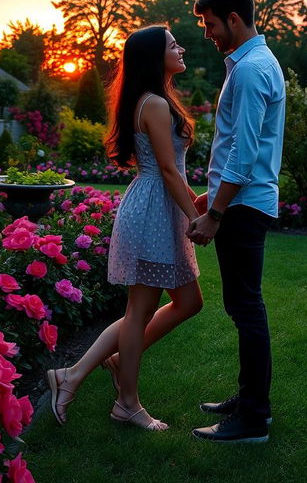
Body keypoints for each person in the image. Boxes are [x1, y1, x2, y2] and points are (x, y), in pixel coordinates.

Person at [47, 25, 203, 431]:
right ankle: (126, 403)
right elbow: (167, 170)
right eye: (173, 45)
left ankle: (90, 369)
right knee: (140, 310)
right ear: (155, 56)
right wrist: (196, 218)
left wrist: (197, 204)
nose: (181, 47)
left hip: (157, 206)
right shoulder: (153, 103)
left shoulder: (156, 99)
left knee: (188, 302)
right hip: (154, 210)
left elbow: (174, 170)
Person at [187, 0, 285, 443]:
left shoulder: (249, 71)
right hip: (244, 201)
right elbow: (242, 149)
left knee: (246, 308)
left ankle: (252, 419)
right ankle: (250, 402)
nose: (207, 34)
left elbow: (243, 155)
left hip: (243, 207)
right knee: (245, 305)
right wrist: (212, 196)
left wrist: (216, 213)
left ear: (233, 19)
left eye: (209, 25)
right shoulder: (255, 63)